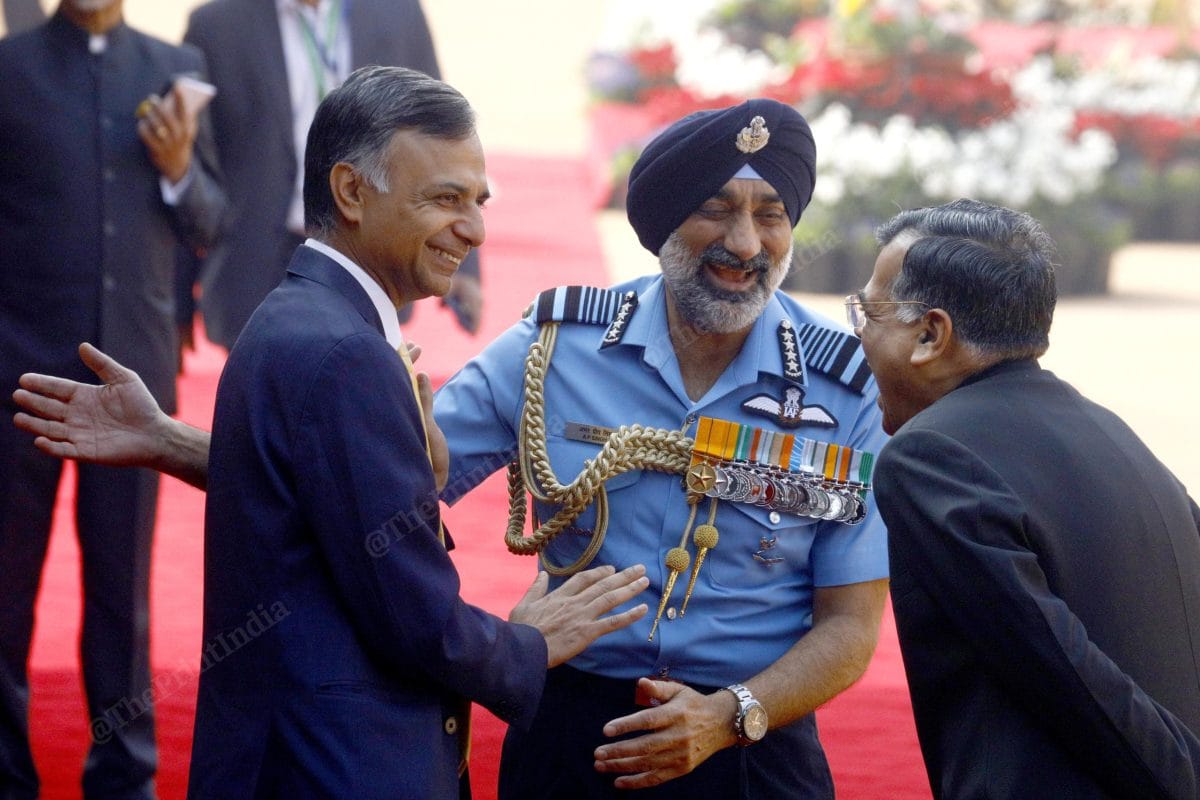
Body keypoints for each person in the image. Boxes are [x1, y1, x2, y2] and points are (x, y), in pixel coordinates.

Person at [14, 98, 891, 798]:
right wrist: (168, 439)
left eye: (771, 217)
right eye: (716, 211)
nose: (745, 244)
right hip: (570, 736)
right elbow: (376, 488)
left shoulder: (846, 390)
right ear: (664, 225)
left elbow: (851, 628)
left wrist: (730, 715)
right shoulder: (557, 347)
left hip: (747, 747)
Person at [199, 65, 648, 799]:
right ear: (350, 191)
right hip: (337, 769)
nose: (472, 229)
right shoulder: (345, 352)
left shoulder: (302, 319)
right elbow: (410, 611)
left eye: (478, 200)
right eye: (444, 199)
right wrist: (525, 646)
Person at [854, 198, 1200, 798]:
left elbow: (1057, 671)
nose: (859, 335)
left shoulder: (930, 454)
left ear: (931, 333)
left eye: (870, 313)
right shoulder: (1112, 432)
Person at [0, 1, 225, 796]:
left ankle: (124, 775)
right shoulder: (11, 69)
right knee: (5, 585)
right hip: (16, 379)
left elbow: (211, 222)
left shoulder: (176, 71)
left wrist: (178, 168)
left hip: (134, 387)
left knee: (122, 591)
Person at [182, 0, 483, 352]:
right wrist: (176, 300)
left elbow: (443, 137)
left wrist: (465, 265)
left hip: (369, 250)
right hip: (255, 264)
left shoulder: (398, 14)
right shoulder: (216, 24)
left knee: (360, 387)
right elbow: (191, 163)